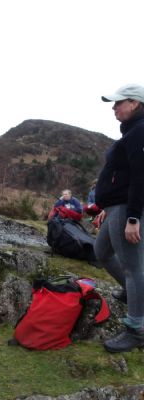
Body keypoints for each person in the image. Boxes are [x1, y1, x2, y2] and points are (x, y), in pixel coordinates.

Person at [94, 84, 144, 352]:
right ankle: (132, 292)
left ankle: (136, 329)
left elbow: (140, 176)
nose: (114, 107)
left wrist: (133, 217)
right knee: (101, 251)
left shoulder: (140, 131)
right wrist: (107, 205)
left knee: (133, 268)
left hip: (127, 208)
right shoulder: (132, 131)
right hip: (116, 207)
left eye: (118, 103)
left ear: (134, 103)